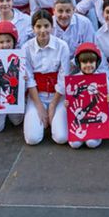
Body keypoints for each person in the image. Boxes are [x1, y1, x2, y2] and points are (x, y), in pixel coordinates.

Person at [55, 43, 109, 148]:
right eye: (84, 62)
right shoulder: (74, 79)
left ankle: (94, 132)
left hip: (95, 119)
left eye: (91, 61)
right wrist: (67, 104)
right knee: (74, 144)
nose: (88, 65)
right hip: (79, 118)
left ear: (97, 62)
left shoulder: (102, 79)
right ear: (79, 63)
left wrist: (108, 100)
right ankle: (81, 132)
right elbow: (71, 102)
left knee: (91, 143)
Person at [23, 13, 69, 145]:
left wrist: (53, 105)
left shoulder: (62, 46)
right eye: (38, 26)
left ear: (52, 27)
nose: (42, 30)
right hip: (37, 96)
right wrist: (39, 106)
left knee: (61, 138)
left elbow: (63, 77)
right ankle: (39, 119)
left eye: (46, 26)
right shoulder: (26, 47)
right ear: (33, 28)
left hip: (58, 96)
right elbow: (29, 79)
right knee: (32, 139)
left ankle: (53, 121)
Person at [0, 22, 36, 133]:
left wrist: (25, 79)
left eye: (8, 41)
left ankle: (24, 105)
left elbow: (26, 79)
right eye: (1, 42)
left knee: (17, 122)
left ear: (14, 42)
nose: (5, 45)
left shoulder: (19, 57)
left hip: (14, 97)